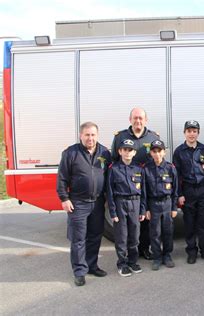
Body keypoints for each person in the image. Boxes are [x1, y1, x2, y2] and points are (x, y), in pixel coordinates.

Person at [57, 122, 111, 286]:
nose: (90, 138)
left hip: (98, 202)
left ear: (97, 135)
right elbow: (62, 178)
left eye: (93, 134)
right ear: (81, 135)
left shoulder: (104, 152)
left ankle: (92, 266)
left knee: (95, 236)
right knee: (78, 239)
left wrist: (109, 198)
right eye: (87, 135)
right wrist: (64, 198)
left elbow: (109, 176)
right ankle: (79, 271)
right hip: (78, 203)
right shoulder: (70, 153)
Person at [111, 107, 160, 260]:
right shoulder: (120, 137)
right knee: (126, 225)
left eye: (141, 118)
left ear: (146, 120)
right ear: (130, 119)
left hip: (147, 183)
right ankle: (128, 254)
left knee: (144, 218)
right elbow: (113, 160)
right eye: (135, 118)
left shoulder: (153, 137)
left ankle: (144, 248)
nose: (138, 121)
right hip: (126, 186)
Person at [173, 120, 204, 264]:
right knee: (189, 223)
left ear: (198, 133)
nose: (192, 134)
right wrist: (180, 194)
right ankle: (191, 252)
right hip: (188, 190)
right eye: (189, 131)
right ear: (184, 133)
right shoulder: (179, 152)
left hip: (203, 190)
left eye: (194, 131)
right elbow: (176, 176)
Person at [106, 139, 146, 277]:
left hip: (135, 203)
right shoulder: (113, 169)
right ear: (120, 151)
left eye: (130, 150)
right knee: (122, 236)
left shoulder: (139, 169)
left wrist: (142, 209)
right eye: (125, 150)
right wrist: (113, 211)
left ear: (134, 152)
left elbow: (144, 192)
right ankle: (122, 263)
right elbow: (110, 192)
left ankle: (133, 261)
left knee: (135, 235)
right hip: (120, 203)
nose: (127, 152)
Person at [143, 139, 178, 271]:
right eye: (154, 151)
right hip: (153, 204)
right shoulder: (146, 169)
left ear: (164, 152)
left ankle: (167, 255)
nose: (157, 154)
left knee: (168, 231)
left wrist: (174, 207)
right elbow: (144, 191)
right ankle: (157, 257)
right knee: (155, 232)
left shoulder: (170, 168)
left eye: (159, 151)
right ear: (151, 153)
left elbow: (175, 189)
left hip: (167, 203)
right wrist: (146, 208)